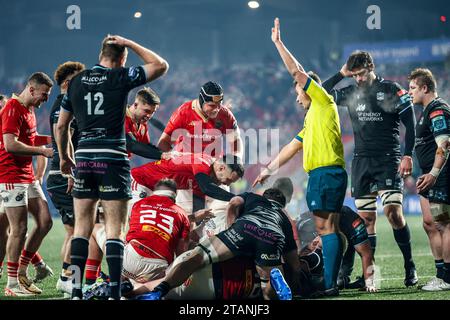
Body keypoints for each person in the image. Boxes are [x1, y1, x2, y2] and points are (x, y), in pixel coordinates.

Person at [55, 34, 169, 300]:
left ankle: (75, 292)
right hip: (113, 159)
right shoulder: (120, 77)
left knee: (81, 229)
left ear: (100, 54)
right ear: (122, 58)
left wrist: (64, 157)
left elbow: (61, 125)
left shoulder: (76, 81)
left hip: (83, 158)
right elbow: (161, 65)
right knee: (116, 229)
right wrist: (130, 42)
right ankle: (116, 293)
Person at [253, 18, 347, 295]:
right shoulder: (312, 120)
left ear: (309, 89)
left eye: (298, 92)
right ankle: (333, 281)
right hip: (328, 173)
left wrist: (278, 44)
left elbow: (297, 72)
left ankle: (330, 285)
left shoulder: (322, 100)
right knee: (331, 227)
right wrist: (270, 168)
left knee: (325, 228)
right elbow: (292, 147)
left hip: (325, 172)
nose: (297, 98)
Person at [322, 51, 418, 287]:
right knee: (366, 220)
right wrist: (341, 74)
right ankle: (370, 275)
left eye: (361, 74)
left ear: (371, 67)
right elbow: (319, 93)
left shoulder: (392, 90)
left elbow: (410, 123)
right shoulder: (351, 90)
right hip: (362, 162)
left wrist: (407, 154)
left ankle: (410, 265)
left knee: (394, 214)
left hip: (388, 159)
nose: (359, 79)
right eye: (353, 75)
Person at [140, 188, 301, 300]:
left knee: (197, 258)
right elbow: (294, 263)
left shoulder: (253, 197)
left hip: (245, 228)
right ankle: (273, 277)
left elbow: (233, 203)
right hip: (271, 238)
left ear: (264, 196)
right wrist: (296, 284)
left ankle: (159, 291)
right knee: (267, 290)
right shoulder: (284, 218)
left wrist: (232, 228)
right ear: (282, 205)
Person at [0, 72, 54, 296]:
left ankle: (23, 269)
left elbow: (29, 137)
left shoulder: (28, 109)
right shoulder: (12, 108)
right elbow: (10, 145)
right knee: (18, 229)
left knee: (45, 222)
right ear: (31, 90)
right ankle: (13, 284)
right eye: (44, 95)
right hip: (11, 176)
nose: (45, 100)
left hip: (27, 175)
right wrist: (42, 151)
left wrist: (52, 139)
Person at [45, 61, 86, 296]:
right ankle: (66, 279)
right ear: (68, 82)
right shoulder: (63, 105)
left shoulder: (67, 104)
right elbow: (63, 137)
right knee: (76, 231)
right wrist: (69, 171)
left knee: (75, 230)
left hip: (64, 174)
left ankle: (66, 277)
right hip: (63, 175)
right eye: (79, 79)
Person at [408, 68, 450, 291]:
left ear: (425, 88)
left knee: (443, 223)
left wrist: (434, 174)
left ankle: (447, 278)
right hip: (427, 177)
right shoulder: (425, 110)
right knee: (429, 223)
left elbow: (444, 144)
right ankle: (441, 272)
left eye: (413, 88)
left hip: (439, 177)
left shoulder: (437, 109)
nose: (410, 92)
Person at [131, 153, 244, 216]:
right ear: (221, 168)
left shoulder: (207, 179)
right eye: (228, 180)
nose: (227, 184)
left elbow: (197, 206)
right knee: (133, 218)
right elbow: (207, 188)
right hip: (140, 181)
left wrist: (195, 221)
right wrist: (238, 198)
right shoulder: (202, 162)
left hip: (157, 192)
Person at [297, 206, 377, 292]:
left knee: (339, 281)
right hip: (315, 228)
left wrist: (369, 283)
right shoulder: (304, 228)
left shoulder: (352, 222)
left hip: (345, 223)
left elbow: (366, 254)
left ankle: (343, 273)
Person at [158, 81, 243, 159]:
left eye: (219, 105)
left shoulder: (225, 115)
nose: (216, 109)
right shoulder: (183, 112)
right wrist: (174, 158)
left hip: (213, 167)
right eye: (212, 105)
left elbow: (236, 141)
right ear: (202, 101)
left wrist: (236, 160)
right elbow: (163, 142)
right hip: (185, 166)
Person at [125, 87, 173, 160]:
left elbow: (146, 146)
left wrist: (169, 152)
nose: (149, 116)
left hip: (120, 164)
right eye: (146, 111)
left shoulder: (142, 124)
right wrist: (162, 155)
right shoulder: (120, 118)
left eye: (152, 112)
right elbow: (132, 144)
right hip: (106, 162)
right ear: (135, 105)